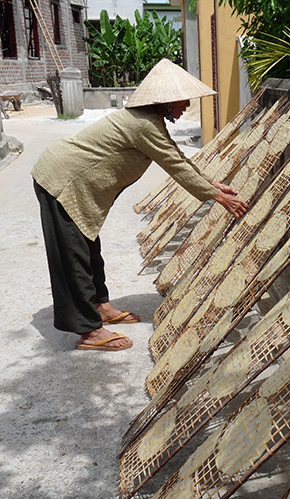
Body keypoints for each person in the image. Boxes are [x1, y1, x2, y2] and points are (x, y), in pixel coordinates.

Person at [32, 59, 248, 352]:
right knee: (73, 254)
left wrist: (212, 185)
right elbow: (175, 166)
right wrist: (218, 197)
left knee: (87, 247)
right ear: (167, 101)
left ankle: (100, 306)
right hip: (60, 181)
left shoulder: (150, 121)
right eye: (184, 99)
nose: (187, 105)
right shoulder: (143, 124)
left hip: (73, 184)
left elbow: (177, 156)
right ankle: (88, 330)